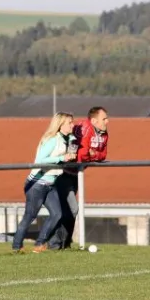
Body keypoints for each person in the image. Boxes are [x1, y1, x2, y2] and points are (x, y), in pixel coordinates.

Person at [11, 112, 76, 254]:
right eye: (69, 123)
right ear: (60, 125)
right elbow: (40, 160)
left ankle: (40, 243)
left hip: (50, 184)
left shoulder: (67, 138)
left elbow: (72, 147)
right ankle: (17, 246)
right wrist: (61, 158)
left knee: (57, 214)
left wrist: (72, 146)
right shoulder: (52, 139)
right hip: (37, 184)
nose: (73, 125)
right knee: (30, 216)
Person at [47, 106, 109, 250]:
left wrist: (92, 154)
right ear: (94, 120)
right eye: (104, 119)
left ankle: (65, 243)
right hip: (63, 174)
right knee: (69, 209)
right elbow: (81, 155)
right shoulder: (85, 129)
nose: (107, 121)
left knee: (71, 210)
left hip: (76, 174)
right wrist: (91, 154)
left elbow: (103, 154)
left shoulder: (103, 132)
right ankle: (54, 243)